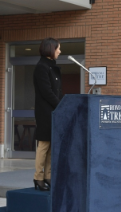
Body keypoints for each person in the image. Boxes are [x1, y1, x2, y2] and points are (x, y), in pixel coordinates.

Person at [33, 38, 62, 191]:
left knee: (51, 146)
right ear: (51, 49)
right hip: (45, 112)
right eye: (58, 48)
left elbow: (57, 91)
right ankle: (38, 177)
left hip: (54, 112)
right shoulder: (41, 67)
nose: (60, 51)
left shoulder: (52, 67)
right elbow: (47, 92)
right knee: (43, 145)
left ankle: (48, 176)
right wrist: (61, 105)